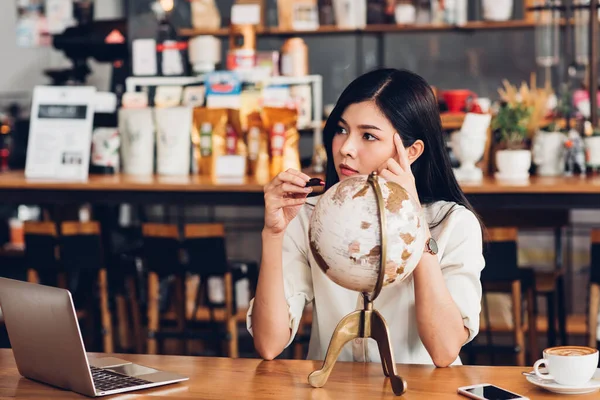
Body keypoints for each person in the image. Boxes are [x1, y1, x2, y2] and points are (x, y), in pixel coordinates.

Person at [247, 68, 485, 367]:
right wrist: (273, 235)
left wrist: (413, 220)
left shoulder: (453, 223)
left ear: (411, 152)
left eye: (368, 136)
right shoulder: (309, 215)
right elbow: (269, 344)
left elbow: (444, 350)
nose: (346, 148)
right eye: (342, 130)